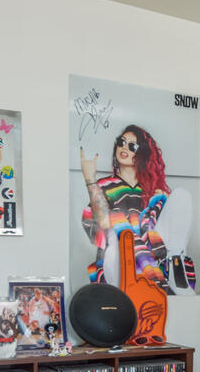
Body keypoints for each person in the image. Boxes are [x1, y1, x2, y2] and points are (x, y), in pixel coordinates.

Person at [79, 125, 185, 292]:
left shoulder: (151, 189)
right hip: (117, 260)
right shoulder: (103, 186)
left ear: (141, 153)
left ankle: (174, 261)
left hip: (152, 254)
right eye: (121, 142)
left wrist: (162, 203)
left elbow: (162, 227)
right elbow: (103, 223)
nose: (124, 148)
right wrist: (90, 179)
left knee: (181, 195)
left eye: (132, 146)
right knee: (116, 231)